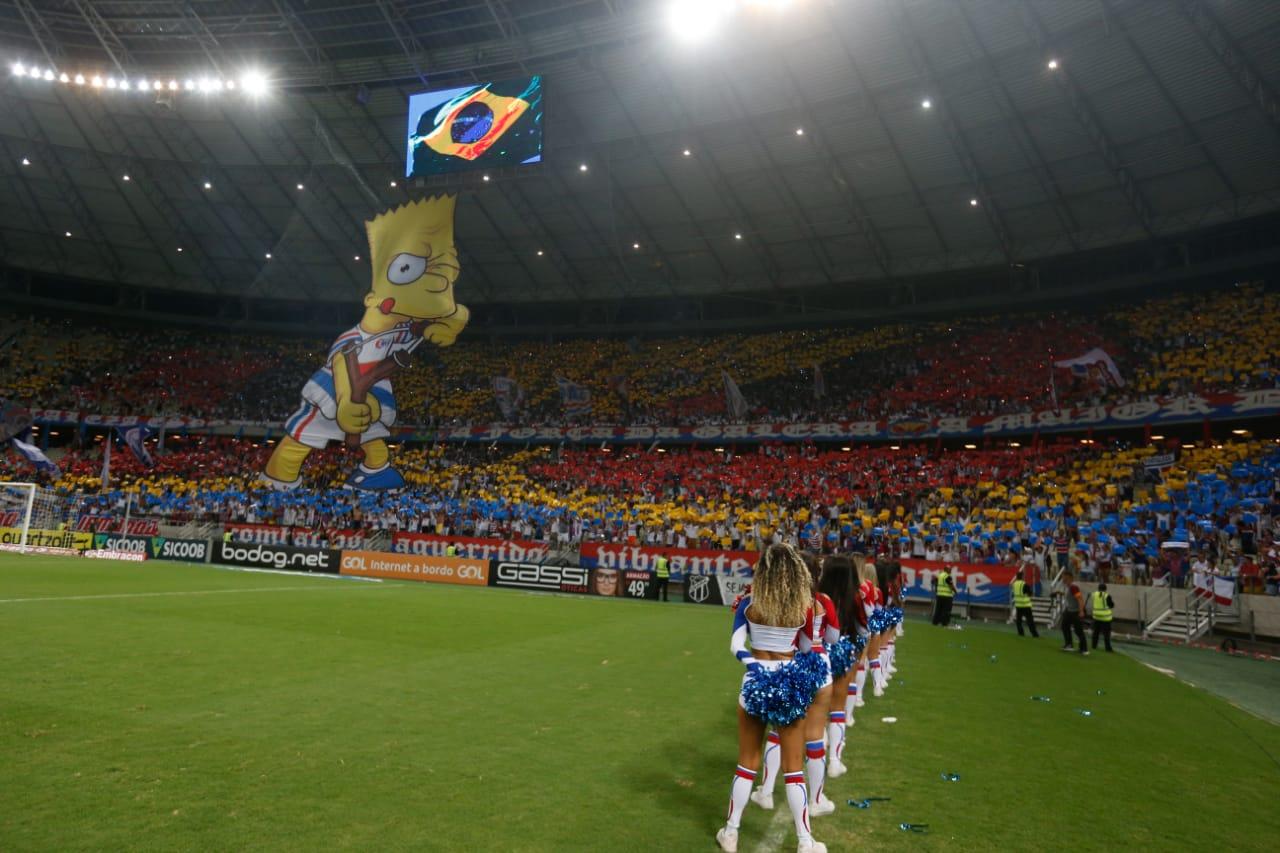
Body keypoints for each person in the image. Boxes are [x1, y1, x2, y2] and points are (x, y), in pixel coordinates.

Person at [717, 544, 827, 853]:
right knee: (794, 768)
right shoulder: (801, 606)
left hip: (754, 684)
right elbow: (807, 647)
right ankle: (806, 841)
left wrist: (754, 665)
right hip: (790, 684)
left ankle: (731, 832)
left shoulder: (749, 604)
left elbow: (736, 645)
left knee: (746, 763)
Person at [752, 553, 838, 817]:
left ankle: (765, 791)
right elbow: (833, 637)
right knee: (814, 736)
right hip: (819, 667)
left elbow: (796, 644)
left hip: (789, 667)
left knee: (778, 732)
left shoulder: (783, 604)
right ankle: (816, 800)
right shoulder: (822, 601)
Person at [817, 555, 858, 778]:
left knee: (817, 706)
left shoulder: (818, 597)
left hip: (819, 652)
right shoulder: (854, 598)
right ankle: (834, 761)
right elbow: (862, 628)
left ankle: (818, 742)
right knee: (838, 709)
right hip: (842, 650)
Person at [1060, 571, 1088, 655]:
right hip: (1070, 611)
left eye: (1063, 577)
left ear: (1068, 577)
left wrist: (1081, 611)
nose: (1062, 579)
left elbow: (1079, 599)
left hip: (1076, 612)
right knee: (1064, 625)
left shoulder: (1073, 587)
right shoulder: (1068, 587)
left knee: (1078, 630)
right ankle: (1069, 645)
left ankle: (1084, 649)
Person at [1012, 567, 1039, 638]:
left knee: (1019, 620)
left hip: (1018, 604)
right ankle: (1034, 634)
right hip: (1025, 605)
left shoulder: (1014, 584)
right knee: (1030, 621)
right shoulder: (1024, 584)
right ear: (1022, 577)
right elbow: (1030, 594)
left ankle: (1020, 633)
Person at [1089, 582, 1115, 652]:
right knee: (1106, 634)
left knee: (1095, 632)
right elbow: (1111, 605)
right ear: (1105, 589)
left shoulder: (1094, 594)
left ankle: (1094, 646)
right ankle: (1108, 648)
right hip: (1105, 618)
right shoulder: (1107, 595)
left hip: (1096, 616)